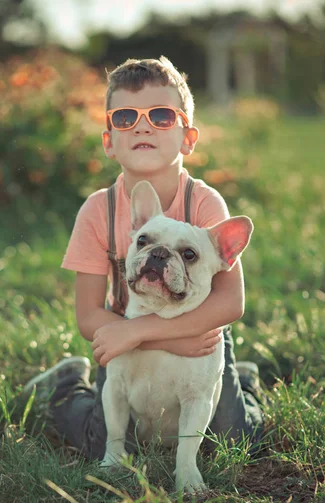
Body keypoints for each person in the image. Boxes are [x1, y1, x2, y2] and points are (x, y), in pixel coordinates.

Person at [22, 56, 264, 459]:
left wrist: (148, 335)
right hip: (124, 334)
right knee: (105, 444)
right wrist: (134, 335)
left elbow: (230, 302)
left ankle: (244, 384)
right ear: (109, 141)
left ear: (188, 138)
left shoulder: (205, 202)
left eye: (163, 115)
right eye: (125, 117)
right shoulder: (98, 210)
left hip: (196, 332)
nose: (142, 124)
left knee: (234, 441)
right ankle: (64, 385)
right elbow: (87, 315)